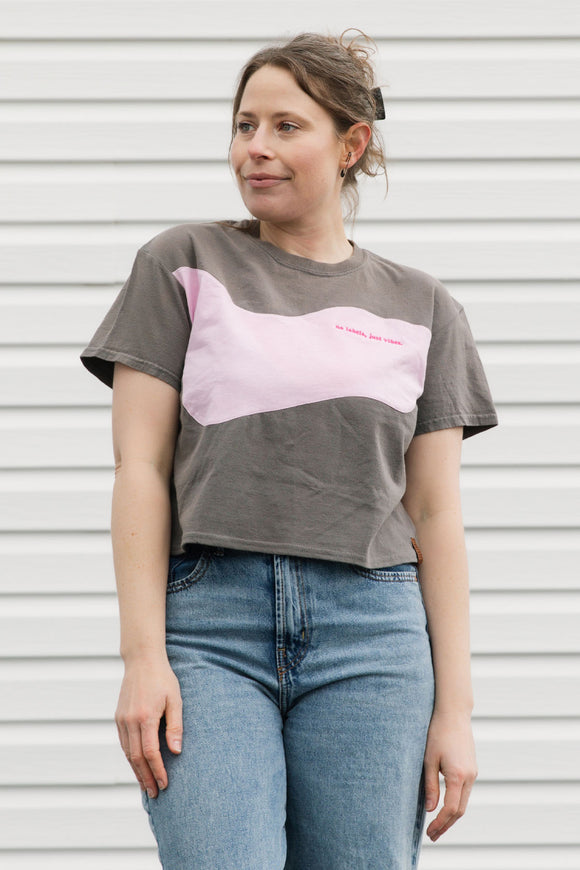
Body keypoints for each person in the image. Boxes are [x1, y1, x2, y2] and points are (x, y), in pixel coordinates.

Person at [81, 30, 498, 870]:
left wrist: (456, 710)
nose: (255, 149)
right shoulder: (183, 264)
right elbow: (140, 471)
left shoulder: (424, 308)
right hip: (209, 628)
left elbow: (436, 515)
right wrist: (142, 657)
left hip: (374, 636)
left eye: (284, 126)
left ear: (352, 145)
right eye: (243, 126)